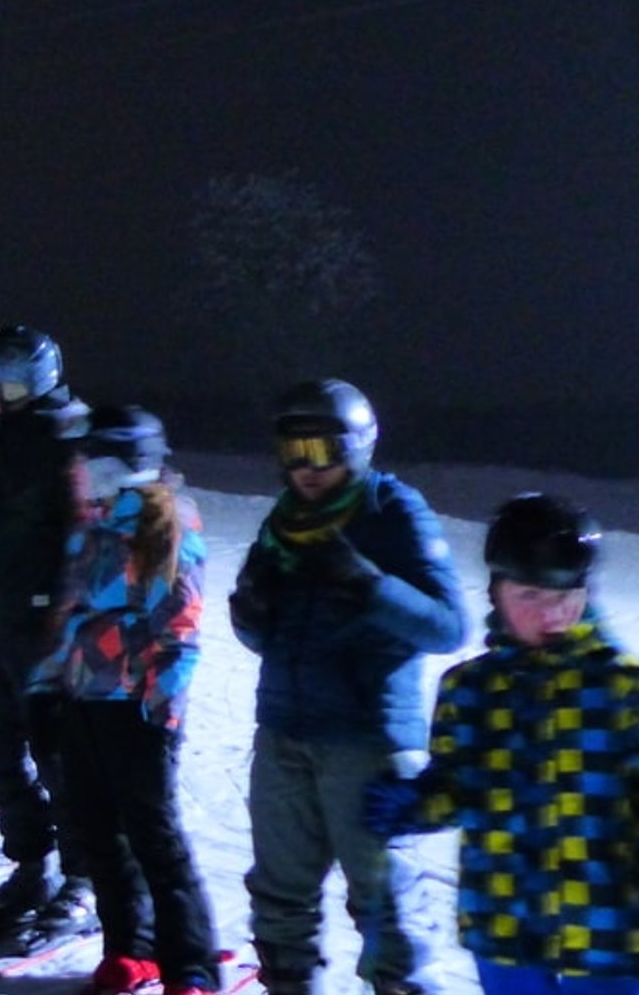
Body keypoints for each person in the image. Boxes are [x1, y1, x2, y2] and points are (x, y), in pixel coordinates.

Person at [363, 494, 639, 995]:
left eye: (567, 596)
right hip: (506, 924)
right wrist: (415, 803)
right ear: (497, 592)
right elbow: (459, 789)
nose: (554, 614)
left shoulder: (625, 688)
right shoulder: (470, 689)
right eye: (531, 597)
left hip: (609, 927)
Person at [229, 378, 468, 995]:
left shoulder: (391, 511)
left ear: (358, 448)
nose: (307, 470)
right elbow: (266, 637)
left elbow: (448, 626)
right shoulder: (283, 523)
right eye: (293, 453)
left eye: (324, 451)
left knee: (386, 900)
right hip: (285, 732)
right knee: (279, 895)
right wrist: (251, 615)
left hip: (367, 740)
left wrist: (367, 583)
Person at [32, 406, 221, 995]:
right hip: (85, 699)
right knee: (98, 831)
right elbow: (67, 616)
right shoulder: (93, 528)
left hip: (137, 709)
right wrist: (44, 687)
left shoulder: (167, 527)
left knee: (153, 836)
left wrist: (161, 712)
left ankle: (191, 963)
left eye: (93, 460)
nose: (82, 471)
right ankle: (129, 948)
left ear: (126, 464)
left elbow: (180, 630)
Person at [0, 324, 95, 944]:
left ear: (20, 382)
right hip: (4, 615)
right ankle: (31, 863)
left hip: (48, 628)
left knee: (60, 758)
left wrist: (62, 614)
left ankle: (84, 879)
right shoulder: (8, 429)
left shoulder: (64, 437)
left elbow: (82, 531)